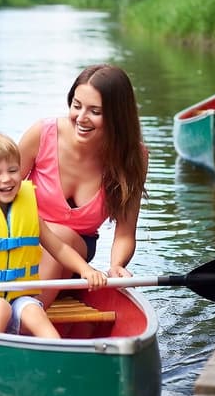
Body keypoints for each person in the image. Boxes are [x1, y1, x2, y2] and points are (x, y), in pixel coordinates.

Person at [0, 132, 107, 337]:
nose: (7, 179)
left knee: (34, 310)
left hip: (16, 298)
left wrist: (85, 270)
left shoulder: (30, 214)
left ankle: (57, 355)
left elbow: (59, 248)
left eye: (13, 170)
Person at [19, 64, 148, 310]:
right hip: (22, 242)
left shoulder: (134, 157)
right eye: (76, 106)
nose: (81, 118)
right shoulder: (42, 134)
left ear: (117, 116)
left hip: (76, 253)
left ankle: (25, 316)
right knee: (48, 232)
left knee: (61, 234)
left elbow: (125, 232)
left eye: (94, 111)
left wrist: (116, 265)